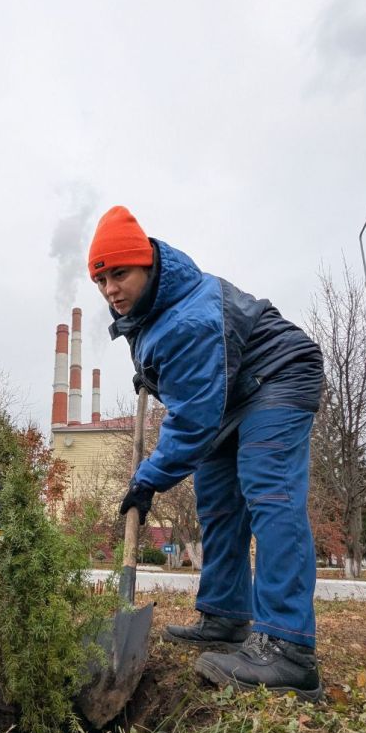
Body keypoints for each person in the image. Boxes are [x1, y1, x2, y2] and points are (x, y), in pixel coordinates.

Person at [88, 206, 324, 701]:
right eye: (101, 278)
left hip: (274, 379)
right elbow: (190, 379)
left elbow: (193, 421)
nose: (110, 288)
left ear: (148, 265)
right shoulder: (150, 310)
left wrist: (147, 478)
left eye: (120, 274)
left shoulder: (188, 315)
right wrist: (153, 374)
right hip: (230, 395)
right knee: (216, 503)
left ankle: (288, 648)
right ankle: (225, 616)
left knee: (269, 492)